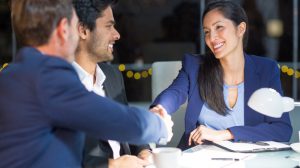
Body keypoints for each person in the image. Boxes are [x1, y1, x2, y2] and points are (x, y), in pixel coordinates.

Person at [0, 0, 173, 167]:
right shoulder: (47, 76)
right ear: (63, 30)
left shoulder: (13, 75)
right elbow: (113, 120)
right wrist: (160, 125)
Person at [150, 0, 292, 150]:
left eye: (219, 27)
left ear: (240, 29)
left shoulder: (266, 69)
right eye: (206, 31)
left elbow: (282, 130)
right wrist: (159, 109)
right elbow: (174, 93)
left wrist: (226, 133)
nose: (212, 38)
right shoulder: (195, 66)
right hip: (200, 159)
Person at [72, 0, 152, 167]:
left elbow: (128, 128)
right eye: (109, 26)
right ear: (83, 30)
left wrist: (144, 151)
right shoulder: (59, 86)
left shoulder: (112, 76)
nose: (117, 35)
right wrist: (114, 165)